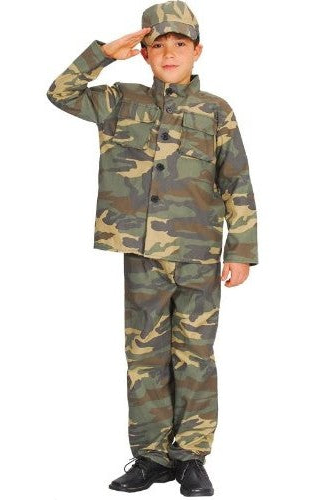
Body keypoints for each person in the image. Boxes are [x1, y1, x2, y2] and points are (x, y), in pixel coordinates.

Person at [46, 0, 258, 496]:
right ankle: (150, 457)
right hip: (142, 252)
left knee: (195, 357)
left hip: (199, 253)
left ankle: (191, 457)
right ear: (143, 53)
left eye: (180, 44)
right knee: (144, 356)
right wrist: (104, 54)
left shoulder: (216, 111)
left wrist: (241, 249)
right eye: (157, 44)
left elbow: (237, 181)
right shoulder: (120, 101)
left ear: (197, 51)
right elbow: (61, 92)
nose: (169, 53)